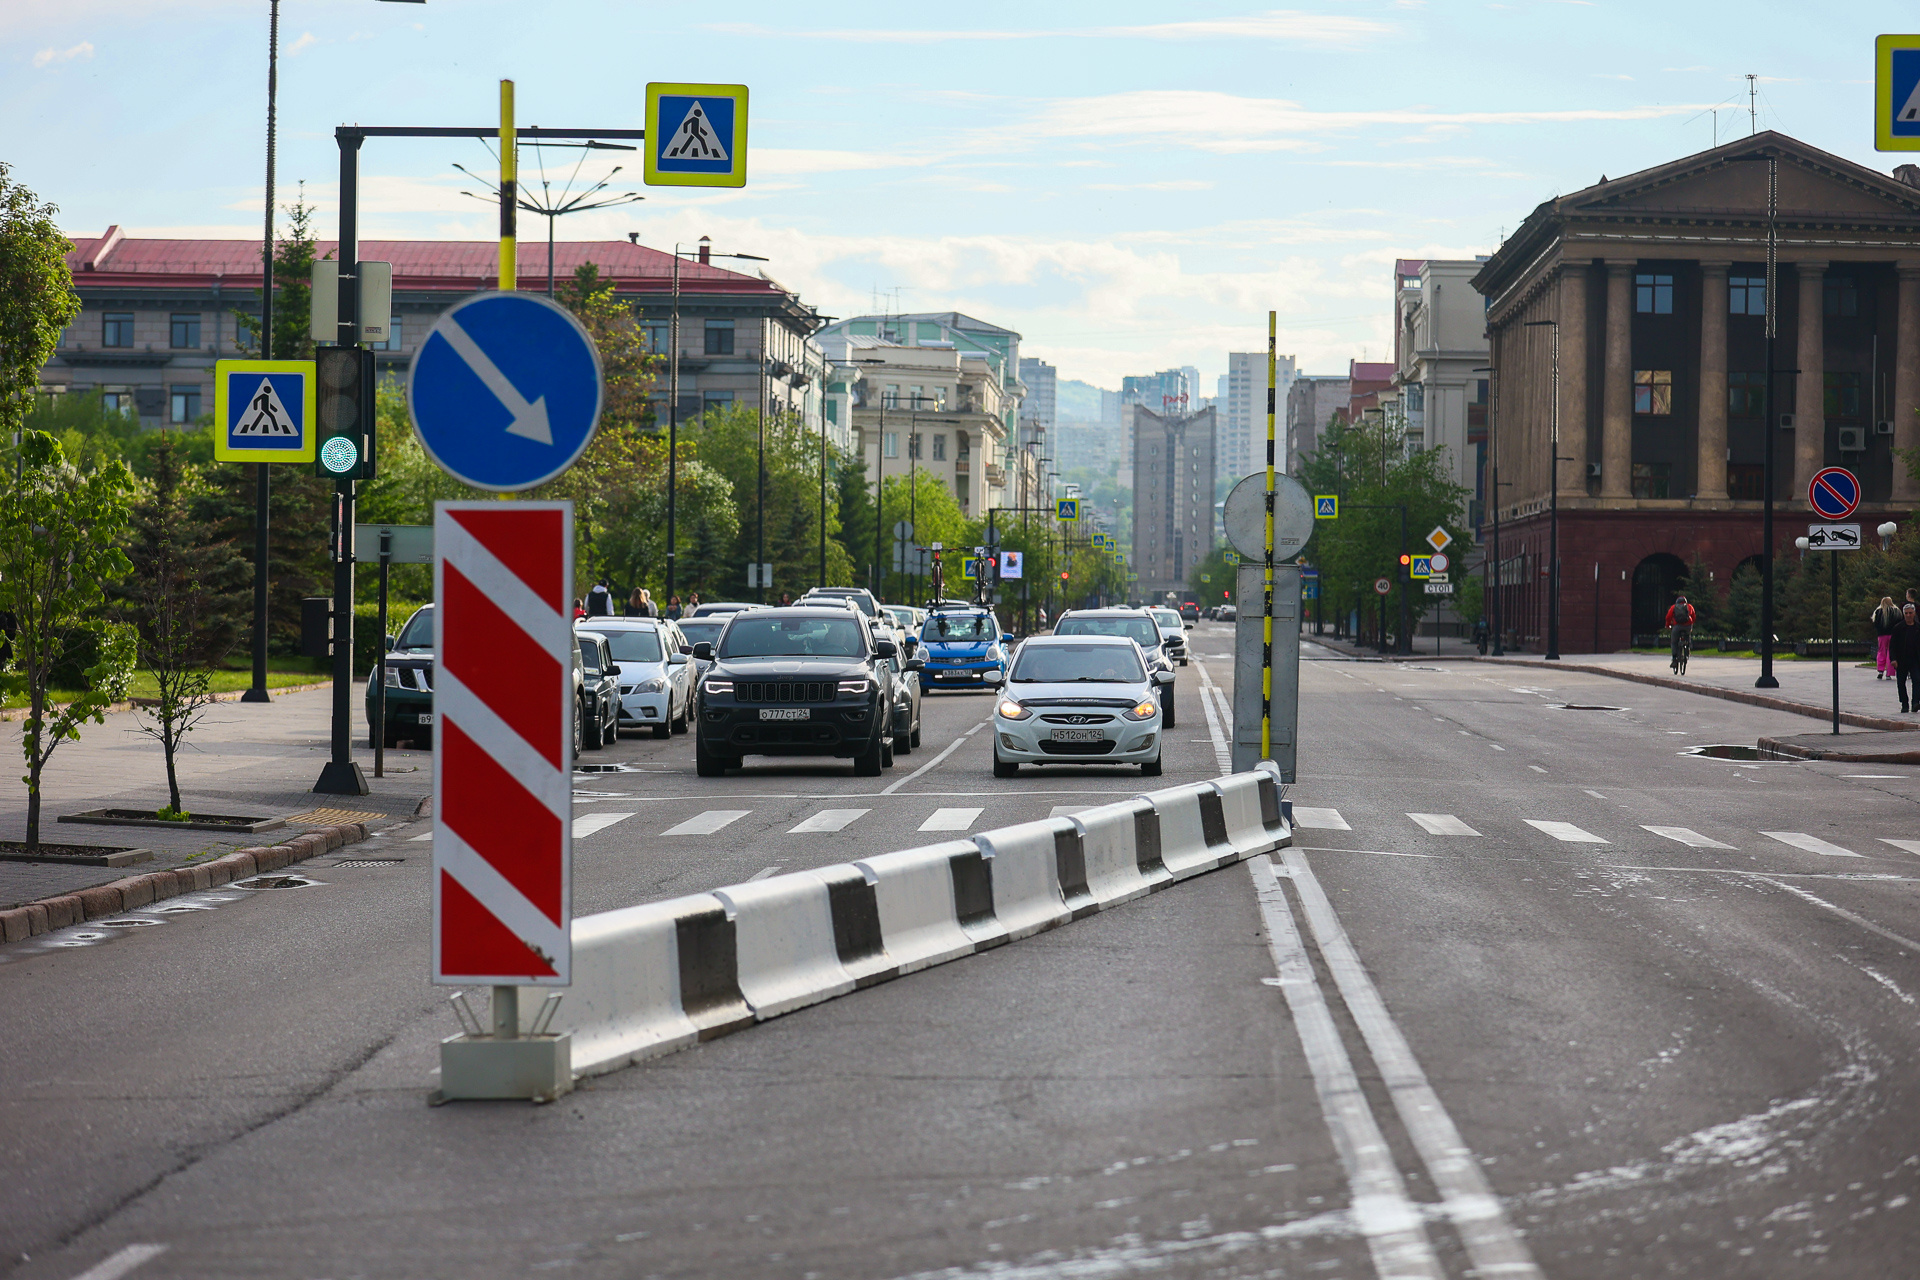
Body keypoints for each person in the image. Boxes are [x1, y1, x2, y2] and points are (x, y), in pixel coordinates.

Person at [1893, 603, 1920, 713]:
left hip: (1915, 659)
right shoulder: (1898, 628)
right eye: (1906, 613)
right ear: (1903, 614)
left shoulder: (1918, 627)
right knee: (1900, 682)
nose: (1908, 615)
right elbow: (1893, 645)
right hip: (1901, 659)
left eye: (1910, 613)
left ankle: (1915, 702)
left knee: (1917, 680)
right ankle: (1904, 703)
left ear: (1914, 614)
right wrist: (1893, 659)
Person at [1664, 594, 1695, 673]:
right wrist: (1691, 624)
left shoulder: (1673, 607)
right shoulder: (1689, 606)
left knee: (1674, 642)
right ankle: (1687, 651)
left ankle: (1674, 659)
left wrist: (1668, 625)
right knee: (1688, 636)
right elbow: (1693, 616)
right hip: (1687, 625)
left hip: (1677, 626)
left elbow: (1668, 617)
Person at [1873, 596, 1901, 680]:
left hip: (1882, 635)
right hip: (1893, 635)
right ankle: (1889, 673)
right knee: (1891, 653)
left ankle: (1880, 670)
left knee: (1881, 651)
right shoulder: (1896, 611)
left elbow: (1876, 624)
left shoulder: (1879, 611)